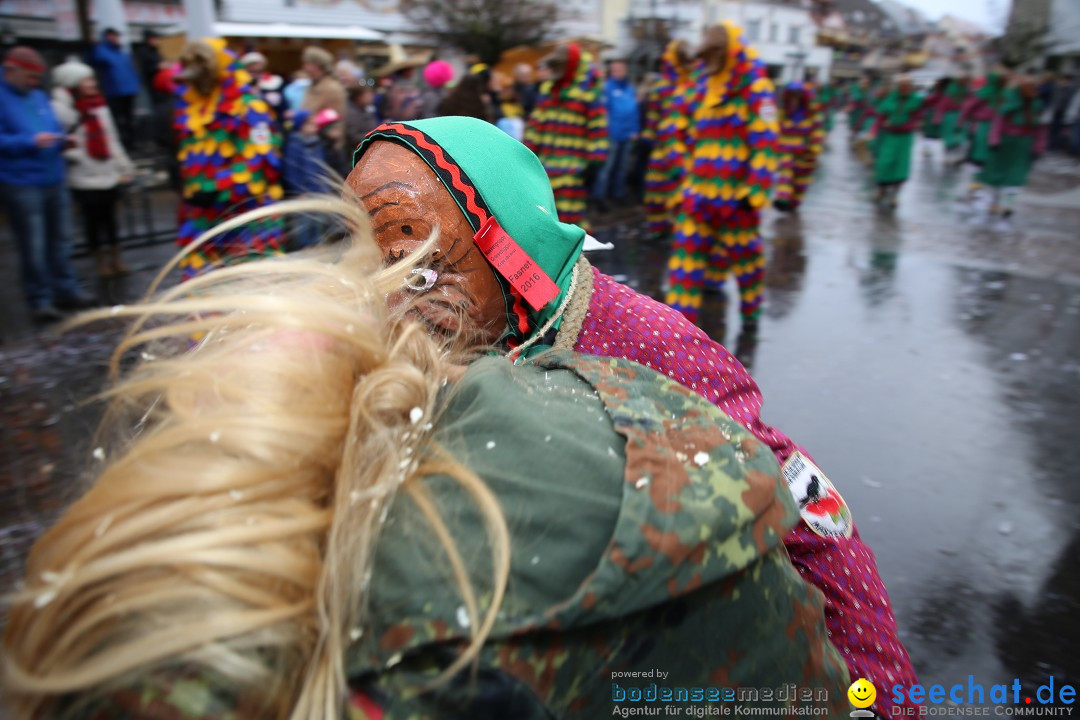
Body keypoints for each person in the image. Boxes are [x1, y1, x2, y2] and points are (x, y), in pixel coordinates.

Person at [0, 187, 853, 718]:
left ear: (500, 242)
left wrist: (878, 687)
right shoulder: (428, 360)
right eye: (380, 244)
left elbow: (794, 495)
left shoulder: (628, 330)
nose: (400, 274)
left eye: (417, 234)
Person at [344, 116, 920, 714]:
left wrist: (872, 697)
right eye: (369, 264)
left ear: (512, 252)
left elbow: (812, 530)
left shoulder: (647, 346)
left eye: (423, 269)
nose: (391, 303)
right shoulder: (386, 342)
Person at [664, 21, 777, 333]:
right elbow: (681, 130)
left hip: (735, 202)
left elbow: (765, 142)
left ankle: (751, 316)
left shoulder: (756, 87)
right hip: (698, 197)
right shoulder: (701, 86)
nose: (708, 60)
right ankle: (678, 334)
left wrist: (753, 193)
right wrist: (687, 175)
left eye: (715, 52)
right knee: (684, 266)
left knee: (747, 266)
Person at [174, 38, 284, 279]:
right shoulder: (194, 109)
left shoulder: (250, 107)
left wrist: (214, 189)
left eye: (203, 78)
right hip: (205, 220)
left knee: (254, 286)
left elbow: (259, 163)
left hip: (246, 217)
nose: (198, 85)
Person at [0, 46, 93, 323]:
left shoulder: (39, 96)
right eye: (29, 76)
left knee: (61, 240)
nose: (34, 82)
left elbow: (52, 129)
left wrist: (62, 140)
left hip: (53, 178)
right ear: (11, 70)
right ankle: (40, 299)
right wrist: (29, 141)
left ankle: (66, 289)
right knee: (34, 244)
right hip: (21, 182)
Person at [50, 60, 135, 278]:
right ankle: (101, 263)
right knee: (92, 222)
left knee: (111, 220)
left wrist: (124, 165)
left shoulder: (100, 106)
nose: (92, 83)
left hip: (106, 171)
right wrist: (76, 154)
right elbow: (58, 142)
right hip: (83, 176)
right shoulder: (59, 109)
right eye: (87, 79)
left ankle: (116, 259)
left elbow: (112, 138)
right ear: (73, 82)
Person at [524, 42, 608, 230]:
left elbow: (598, 129)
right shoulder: (549, 91)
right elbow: (536, 125)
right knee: (545, 217)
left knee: (571, 220)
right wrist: (527, 151)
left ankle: (576, 257)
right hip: (546, 167)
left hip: (574, 168)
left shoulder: (588, 93)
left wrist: (595, 162)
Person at [977, 74, 1047, 229]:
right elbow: (998, 123)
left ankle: (1008, 206)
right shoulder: (1009, 103)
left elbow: (1040, 130)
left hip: (1023, 146)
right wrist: (994, 140)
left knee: (1016, 177)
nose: (1031, 92)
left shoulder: (1036, 106)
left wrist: (1038, 148)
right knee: (997, 175)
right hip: (1004, 144)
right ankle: (994, 202)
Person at [642, 40, 694, 243]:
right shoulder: (661, 88)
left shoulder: (694, 86)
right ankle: (658, 228)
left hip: (684, 149)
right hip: (660, 149)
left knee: (679, 191)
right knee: (655, 190)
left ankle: (679, 231)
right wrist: (648, 136)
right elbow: (653, 115)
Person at [871, 76, 925, 209]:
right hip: (890, 136)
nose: (905, 89)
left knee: (900, 167)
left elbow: (916, 120)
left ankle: (895, 195)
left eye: (907, 86)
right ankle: (881, 190)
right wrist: (873, 131)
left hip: (905, 138)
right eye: (902, 86)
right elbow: (880, 118)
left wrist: (902, 126)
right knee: (884, 163)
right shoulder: (890, 99)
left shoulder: (916, 100)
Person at [592, 59, 640, 207]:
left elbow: (634, 111)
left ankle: (618, 194)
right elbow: (602, 112)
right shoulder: (606, 88)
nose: (618, 72)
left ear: (625, 70)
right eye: (615, 70)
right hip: (611, 135)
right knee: (607, 168)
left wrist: (635, 129)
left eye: (620, 69)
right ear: (611, 71)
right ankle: (599, 197)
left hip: (627, 135)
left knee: (622, 167)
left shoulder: (630, 88)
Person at [772, 81, 825, 213]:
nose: (794, 98)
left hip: (805, 154)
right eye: (792, 95)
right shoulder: (782, 110)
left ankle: (794, 203)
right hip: (785, 150)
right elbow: (774, 126)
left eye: (797, 95)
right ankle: (782, 199)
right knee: (785, 173)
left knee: (800, 183)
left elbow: (818, 130)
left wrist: (815, 148)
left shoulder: (813, 112)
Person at [88, 27, 141, 147]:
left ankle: (132, 142)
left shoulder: (122, 52)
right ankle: (123, 143)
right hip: (114, 92)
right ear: (107, 37)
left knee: (129, 118)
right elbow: (94, 60)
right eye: (114, 35)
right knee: (118, 120)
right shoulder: (101, 51)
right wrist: (92, 46)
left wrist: (136, 84)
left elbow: (130, 69)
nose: (117, 38)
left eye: (117, 36)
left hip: (129, 90)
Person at [299, 46, 346, 120]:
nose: (304, 68)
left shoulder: (331, 88)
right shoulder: (314, 84)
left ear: (316, 65)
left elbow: (334, 117)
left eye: (307, 64)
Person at [241, 51, 287, 122]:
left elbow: (281, 104)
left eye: (256, 63)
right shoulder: (242, 83)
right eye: (250, 64)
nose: (254, 66)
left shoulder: (274, 81)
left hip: (271, 119)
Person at [937, 74, 970, 164]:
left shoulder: (965, 90)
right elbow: (942, 105)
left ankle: (958, 155)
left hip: (961, 115)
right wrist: (938, 117)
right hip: (950, 116)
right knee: (949, 137)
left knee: (959, 137)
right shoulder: (950, 91)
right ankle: (947, 156)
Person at [344, 83, 379, 150]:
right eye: (368, 95)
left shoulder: (366, 109)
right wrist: (373, 136)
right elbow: (353, 137)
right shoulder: (351, 113)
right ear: (358, 96)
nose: (371, 97)